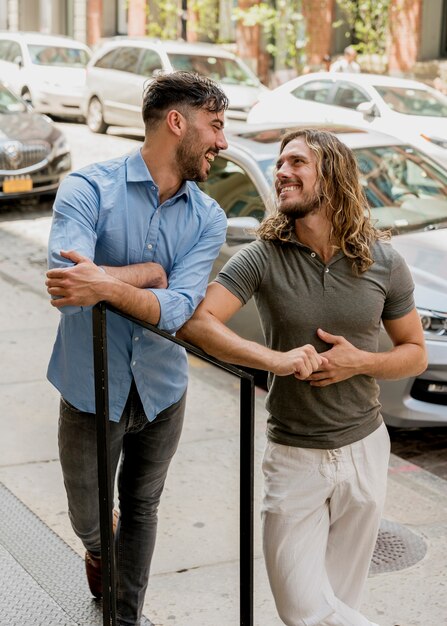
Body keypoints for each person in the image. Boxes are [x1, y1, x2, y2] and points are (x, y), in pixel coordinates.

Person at [178, 128, 427, 626]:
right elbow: (197, 322)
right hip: (294, 454)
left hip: (365, 448)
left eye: (297, 163)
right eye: (280, 164)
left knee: (340, 600)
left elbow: (415, 354)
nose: (282, 173)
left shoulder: (383, 261)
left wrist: (362, 361)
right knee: (302, 609)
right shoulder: (262, 256)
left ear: (331, 174)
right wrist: (274, 361)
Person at [45, 71, 229, 626]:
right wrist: (149, 273)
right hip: (88, 389)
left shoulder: (209, 217)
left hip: (162, 394)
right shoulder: (86, 187)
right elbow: (66, 286)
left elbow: (177, 312)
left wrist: (108, 284)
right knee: (92, 520)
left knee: (143, 508)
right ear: (178, 122)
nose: (222, 142)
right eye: (215, 126)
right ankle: (100, 549)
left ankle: (123, 619)